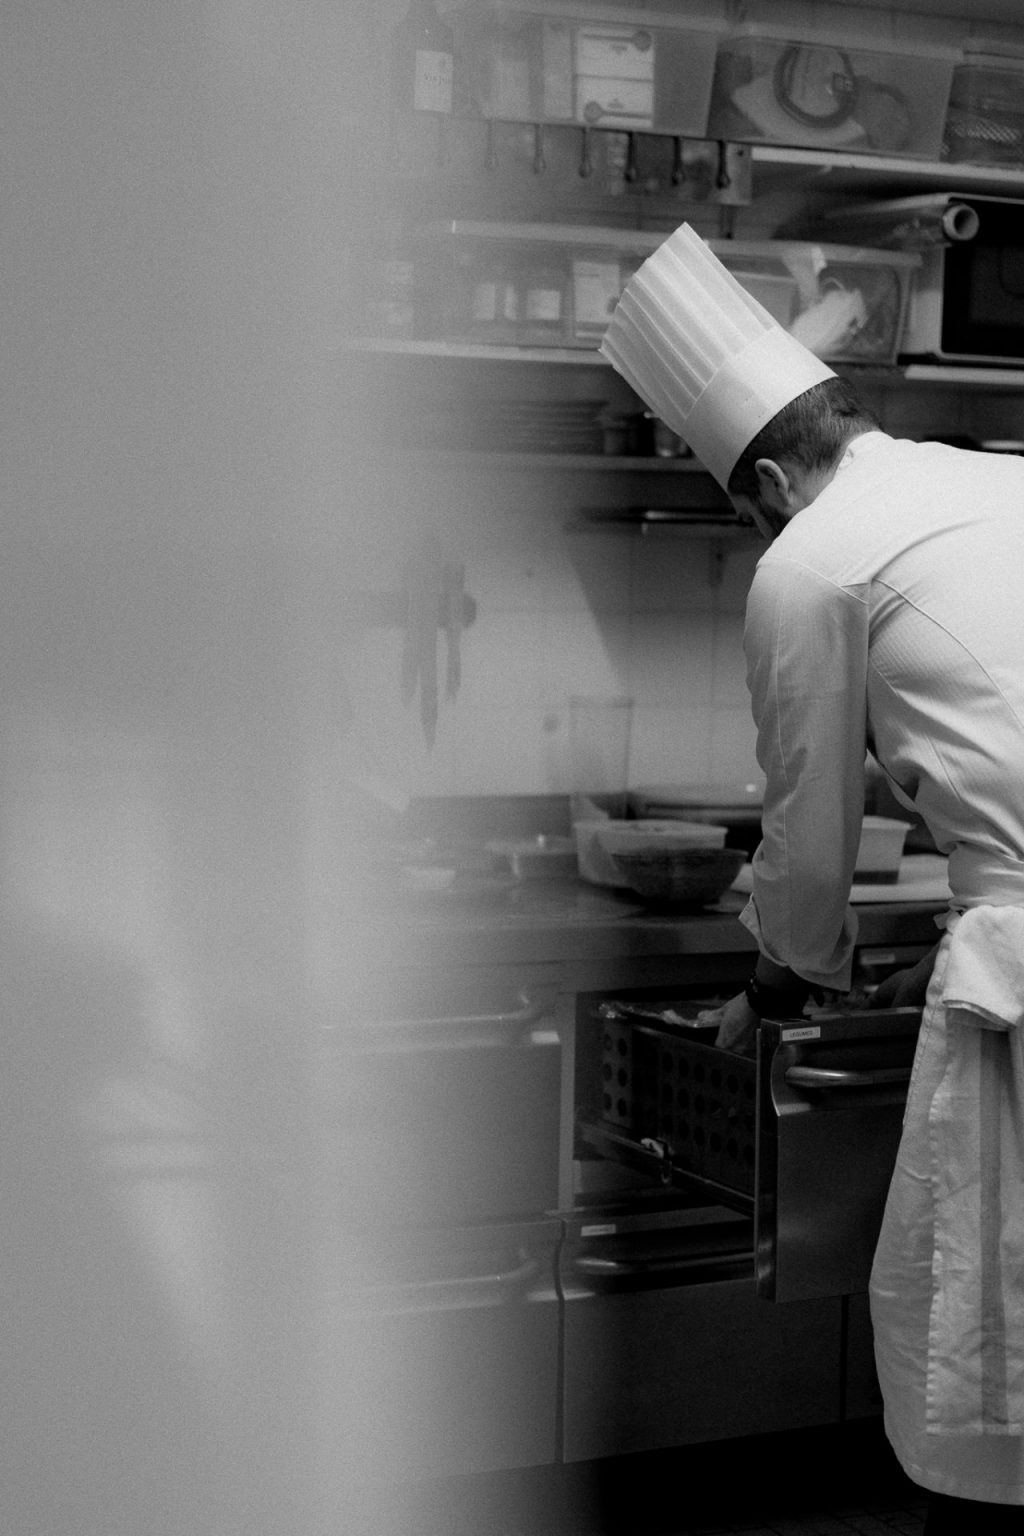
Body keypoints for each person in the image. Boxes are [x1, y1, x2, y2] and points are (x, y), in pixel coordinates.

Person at [600, 223, 1024, 1531]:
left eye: (740, 507)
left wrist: (776, 995)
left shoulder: (809, 561)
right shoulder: (992, 479)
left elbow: (807, 849)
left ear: (776, 479)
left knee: (988, 1348)